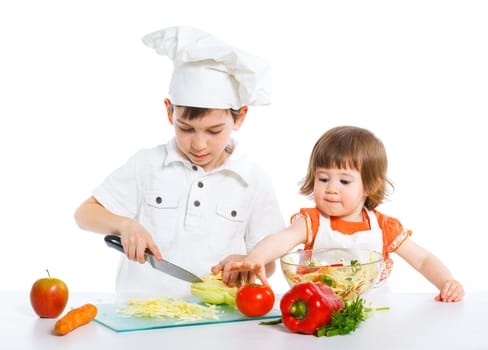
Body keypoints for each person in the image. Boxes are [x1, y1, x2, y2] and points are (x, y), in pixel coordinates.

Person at [74, 26, 285, 299]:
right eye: (185, 128)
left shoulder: (254, 179)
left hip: (215, 322)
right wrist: (124, 225)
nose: (198, 144)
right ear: (169, 111)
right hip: (140, 316)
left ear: (240, 117)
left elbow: (268, 264)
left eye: (214, 131)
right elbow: (84, 214)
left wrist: (244, 262)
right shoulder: (147, 165)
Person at [213, 126, 464, 302]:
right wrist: (255, 257)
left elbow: (422, 260)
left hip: (375, 315)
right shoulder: (311, 221)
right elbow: (282, 240)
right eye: (323, 178)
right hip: (317, 314)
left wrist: (447, 283)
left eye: (344, 181)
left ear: (371, 185)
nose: (331, 188)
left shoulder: (384, 227)